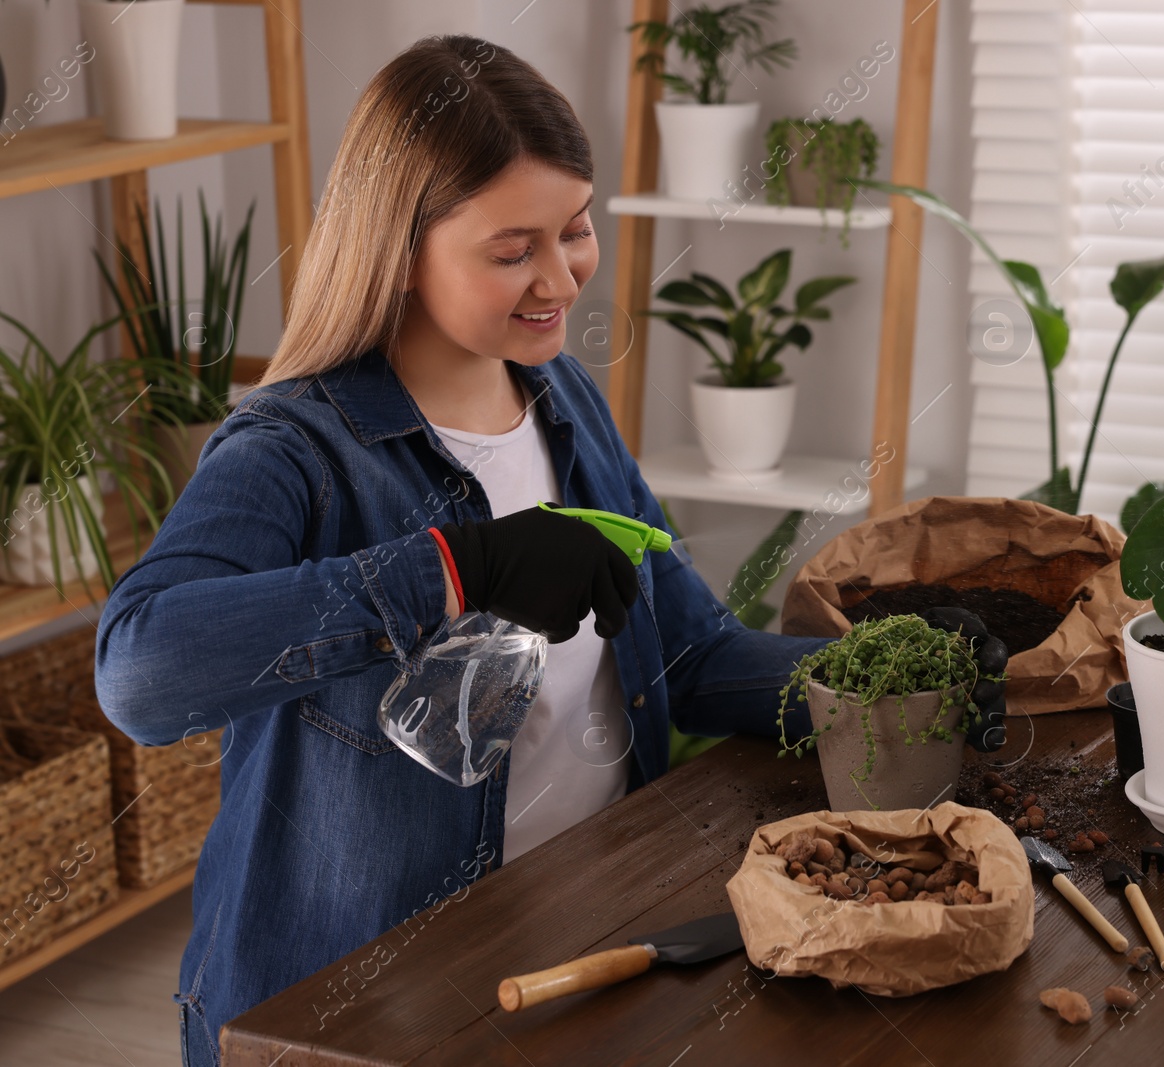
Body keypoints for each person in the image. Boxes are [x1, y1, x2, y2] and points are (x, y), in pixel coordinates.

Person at [93, 35, 1005, 1067]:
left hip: (575, 952)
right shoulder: (294, 449)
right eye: (509, 247)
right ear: (400, 249)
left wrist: (880, 668)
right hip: (351, 1014)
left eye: (574, 229)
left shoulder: (560, 400)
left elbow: (686, 655)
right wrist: (455, 566)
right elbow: (138, 669)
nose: (559, 274)